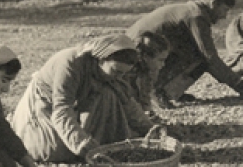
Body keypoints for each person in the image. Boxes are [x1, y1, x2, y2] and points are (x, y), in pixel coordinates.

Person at [10, 35, 159, 164]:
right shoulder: (70, 64)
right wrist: (80, 142)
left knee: (110, 94)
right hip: (45, 106)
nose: (119, 77)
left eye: (123, 73)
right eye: (116, 71)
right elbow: (62, 110)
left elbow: (127, 103)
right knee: (55, 151)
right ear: (101, 60)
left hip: (75, 107)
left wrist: (150, 129)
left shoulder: (113, 74)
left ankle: (103, 146)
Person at [125, 0, 243, 108]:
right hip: (136, 58)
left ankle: (170, 90)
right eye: (224, 10)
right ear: (213, 4)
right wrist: (241, 86)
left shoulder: (191, 11)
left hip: (136, 54)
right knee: (201, 60)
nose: (224, 16)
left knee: (194, 53)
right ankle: (159, 92)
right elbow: (210, 58)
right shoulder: (197, 17)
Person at [125, 32, 172, 114]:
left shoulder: (147, 72)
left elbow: (145, 99)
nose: (163, 64)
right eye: (160, 60)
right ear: (146, 57)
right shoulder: (128, 72)